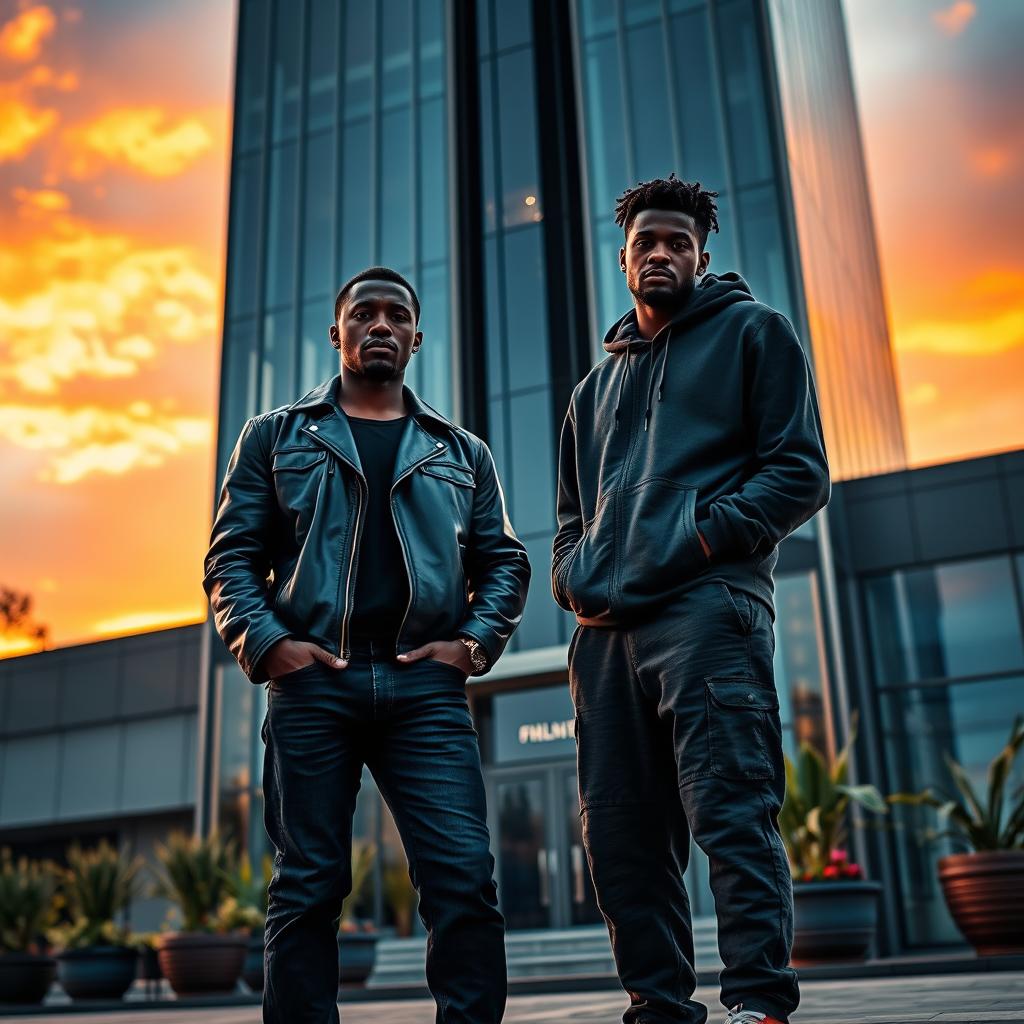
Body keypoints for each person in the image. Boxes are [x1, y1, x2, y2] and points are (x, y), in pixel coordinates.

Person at [204, 266, 530, 1023]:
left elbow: (506, 562)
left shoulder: (462, 451)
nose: (379, 325)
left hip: (426, 690)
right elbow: (230, 558)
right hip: (314, 683)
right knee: (309, 884)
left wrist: (472, 647)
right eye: (363, 314)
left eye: (396, 316)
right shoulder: (275, 437)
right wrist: (269, 643)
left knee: (462, 879)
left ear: (417, 337)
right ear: (337, 333)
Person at [551, 176, 830, 1024]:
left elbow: (799, 471)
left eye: (678, 242)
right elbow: (568, 520)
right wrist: (576, 578)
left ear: (701, 256)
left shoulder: (754, 334)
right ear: (624, 259)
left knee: (732, 811)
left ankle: (757, 1002)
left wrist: (702, 538)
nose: (662, 253)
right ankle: (660, 1006)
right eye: (647, 243)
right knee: (621, 841)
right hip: (604, 639)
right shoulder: (590, 395)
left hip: (709, 612)